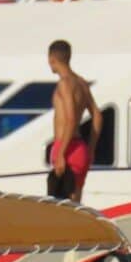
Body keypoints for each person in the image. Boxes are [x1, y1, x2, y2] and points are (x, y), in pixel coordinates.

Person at [47, 39, 99, 202]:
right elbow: (97, 115)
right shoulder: (82, 83)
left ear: (52, 59)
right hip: (80, 148)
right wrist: (90, 148)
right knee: (76, 204)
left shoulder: (65, 83)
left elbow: (69, 118)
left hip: (66, 147)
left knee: (59, 207)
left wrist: (61, 153)